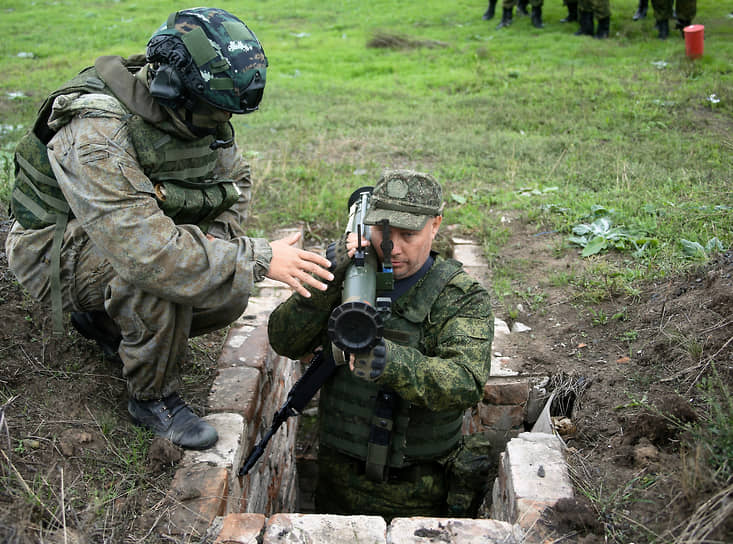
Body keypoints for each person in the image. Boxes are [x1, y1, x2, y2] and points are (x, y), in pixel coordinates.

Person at [5, 7, 334, 450]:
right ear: (171, 88)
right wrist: (256, 257)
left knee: (227, 289)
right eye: (213, 112)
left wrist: (219, 236)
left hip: (122, 232)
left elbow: (234, 180)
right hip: (52, 249)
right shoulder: (95, 130)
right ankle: (151, 398)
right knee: (163, 280)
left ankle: (105, 324)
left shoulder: (197, 109)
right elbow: (147, 253)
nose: (221, 124)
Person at [267, 170, 495, 518]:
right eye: (383, 232)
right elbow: (283, 339)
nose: (394, 247)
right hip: (337, 487)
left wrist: (392, 363)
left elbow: (466, 382)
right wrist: (328, 280)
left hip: (419, 496)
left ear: (435, 225)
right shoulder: (349, 278)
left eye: (409, 234)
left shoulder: (460, 298)